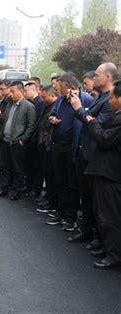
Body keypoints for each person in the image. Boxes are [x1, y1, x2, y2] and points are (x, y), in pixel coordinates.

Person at [67, 63, 116, 246]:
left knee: (99, 202)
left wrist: (80, 109)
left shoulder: (111, 100)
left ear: (108, 77)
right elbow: (89, 117)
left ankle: (99, 238)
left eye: (97, 75)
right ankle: (86, 230)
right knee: (86, 196)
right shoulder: (100, 97)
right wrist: (83, 112)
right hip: (84, 152)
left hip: (97, 156)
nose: (94, 78)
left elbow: (98, 125)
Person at [46, 74, 92, 230]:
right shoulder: (60, 100)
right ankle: (61, 212)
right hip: (57, 144)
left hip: (72, 147)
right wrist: (52, 118)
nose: (58, 91)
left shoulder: (85, 100)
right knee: (60, 181)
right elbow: (51, 113)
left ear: (72, 88)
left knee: (72, 184)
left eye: (61, 88)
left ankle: (71, 217)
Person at [84, 79, 121, 269]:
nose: (110, 101)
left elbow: (105, 139)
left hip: (112, 174)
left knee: (110, 216)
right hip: (105, 172)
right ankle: (109, 248)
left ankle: (114, 255)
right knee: (103, 213)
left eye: (113, 98)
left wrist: (91, 122)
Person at [0, 81, 36, 200]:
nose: (11, 94)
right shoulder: (9, 105)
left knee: (17, 168)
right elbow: (5, 122)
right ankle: (4, 188)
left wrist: (23, 140)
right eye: (10, 91)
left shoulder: (28, 106)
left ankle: (17, 190)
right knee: (4, 166)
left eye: (13, 92)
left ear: (21, 91)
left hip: (16, 142)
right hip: (5, 140)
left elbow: (31, 126)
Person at [36, 86, 59, 213]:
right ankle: (49, 199)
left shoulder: (56, 106)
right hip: (43, 145)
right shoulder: (47, 106)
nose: (42, 99)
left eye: (44, 97)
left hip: (50, 146)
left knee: (51, 175)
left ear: (52, 95)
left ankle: (52, 201)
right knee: (47, 174)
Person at [23, 83, 45, 197]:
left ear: (33, 91)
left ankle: (36, 188)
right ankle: (29, 185)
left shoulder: (40, 103)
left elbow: (37, 123)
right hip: (30, 139)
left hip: (36, 139)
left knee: (37, 166)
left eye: (26, 91)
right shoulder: (29, 103)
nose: (24, 93)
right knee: (29, 164)